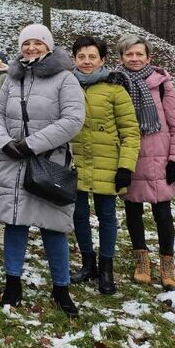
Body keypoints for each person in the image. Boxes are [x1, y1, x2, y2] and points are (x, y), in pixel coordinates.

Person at [0, 24, 85, 316]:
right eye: (26, 43)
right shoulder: (12, 78)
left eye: (37, 43)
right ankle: (13, 283)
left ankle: (61, 288)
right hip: (12, 161)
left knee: (53, 227)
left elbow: (72, 120)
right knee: (15, 223)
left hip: (48, 162)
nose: (31, 48)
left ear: (48, 46)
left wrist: (31, 145)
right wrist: (4, 142)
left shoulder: (65, 79)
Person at [114, 34, 175, 289]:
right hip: (129, 156)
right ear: (121, 57)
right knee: (133, 210)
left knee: (163, 213)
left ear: (148, 57)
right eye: (129, 54)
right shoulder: (115, 83)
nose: (134, 59)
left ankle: (168, 264)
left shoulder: (163, 84)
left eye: (139, 54)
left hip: (159, 158)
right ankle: (141, 260)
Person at [68, 36, 140, 294]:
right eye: (81, 57)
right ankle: (88, 263)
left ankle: (106, 268)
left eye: (92, 57)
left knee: (107, 216)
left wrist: (125, 167)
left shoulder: (115, 89)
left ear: (102, 60)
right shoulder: (67, 85)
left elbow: (130, 131)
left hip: (107, 162)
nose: (87, 62)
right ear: (74, 59)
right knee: (78, 215)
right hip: (74, 160)